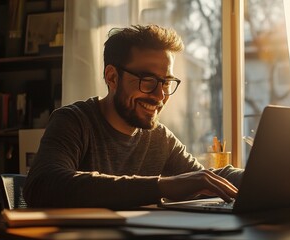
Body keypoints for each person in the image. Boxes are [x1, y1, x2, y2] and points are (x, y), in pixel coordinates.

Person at [23, 24, 243, 210]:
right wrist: (161, 186)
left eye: (166, 82)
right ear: (112, 77)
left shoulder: (159, 138)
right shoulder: (73, 121)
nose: (160, 96)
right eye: (147, 80)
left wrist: (266, 178)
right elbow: (42, 185)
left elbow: (204, 179)